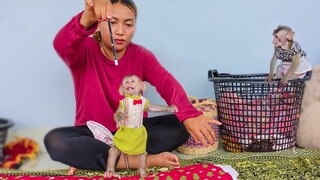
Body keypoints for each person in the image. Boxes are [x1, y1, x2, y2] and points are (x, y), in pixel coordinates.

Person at [44, 0, 221, 174]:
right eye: (112, 23)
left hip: (133, 133)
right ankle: (139, 160)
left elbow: (165, 82)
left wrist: (188, 114)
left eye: (128, 24)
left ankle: (98, 159)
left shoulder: (141, 55)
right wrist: (86, 18)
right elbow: (62, 44)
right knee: (55, 140)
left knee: (180, 126)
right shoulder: (84, 50)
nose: (120, 31)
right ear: (98, 25)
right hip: (94, 134)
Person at [106, 74, 178, 178]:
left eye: (133, 81)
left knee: (143, 154)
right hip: (126, 132)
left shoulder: (143, 101)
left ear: (142, 86)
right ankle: (110, 169)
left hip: (139, 132)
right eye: (126, 82)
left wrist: (168, 108)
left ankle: (142, 172)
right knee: (114, 150)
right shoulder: (125, 102)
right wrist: (120, 119)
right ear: (121, 90)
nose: (129, 83)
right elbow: (118, 113)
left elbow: (152, 108)